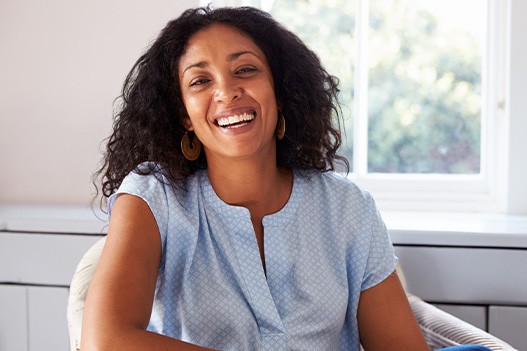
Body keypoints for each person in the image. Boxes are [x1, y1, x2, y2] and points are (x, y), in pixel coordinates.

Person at [83, 6, 490, 351]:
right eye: (200, 80)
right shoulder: (154, 198)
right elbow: (106, 339)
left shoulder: (347, 209)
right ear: (184, 116)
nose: (227, 91)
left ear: (281, 92)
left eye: (245, 69)